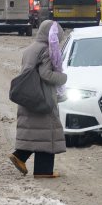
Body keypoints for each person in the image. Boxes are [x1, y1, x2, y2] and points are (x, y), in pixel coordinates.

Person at [10, 20, 68, 178]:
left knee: (34, 131)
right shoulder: (46, 50)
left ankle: (19, 156)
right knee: (48, 132)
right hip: (43, 96)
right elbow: (46, 74)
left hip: (30, 94)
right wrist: (63, 77)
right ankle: (43, 170)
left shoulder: (30, 48)